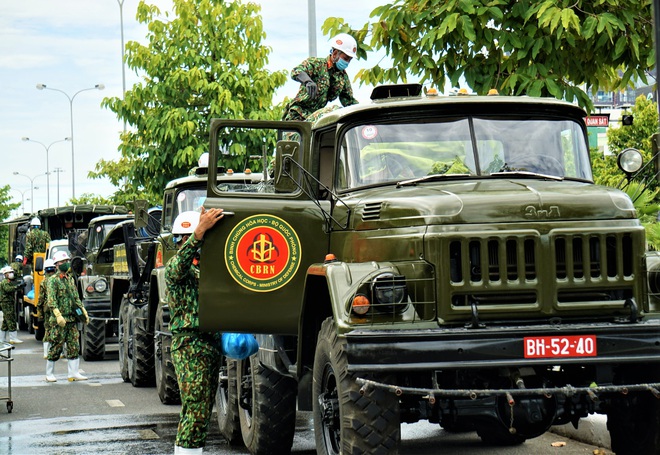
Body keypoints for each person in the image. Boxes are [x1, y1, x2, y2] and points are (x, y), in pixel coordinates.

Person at [166, 207, 225, 454]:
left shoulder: (202, 270)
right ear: (183, 240)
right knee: (195, 410)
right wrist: (198, 231)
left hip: (208, 344)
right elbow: (178, 266)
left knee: (202, 411)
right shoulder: (177, 268)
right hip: (190, 345)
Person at [283, 33, 359, 121]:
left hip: (316, 120)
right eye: (345, 58)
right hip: (298, 117)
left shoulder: (342, 77)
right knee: (334, 110)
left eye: (350, 60)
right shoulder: (317, 64)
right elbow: (296, 71)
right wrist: (308, 81)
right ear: (334, 54)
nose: (347, 63)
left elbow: (349, 102)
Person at [46, 250, 89, 382]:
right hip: (59, 320)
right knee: (56, 345)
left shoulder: (69, 279)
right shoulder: (52, 281)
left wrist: (83, 311)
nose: (66, 264)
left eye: (66, 261)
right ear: (57, 264)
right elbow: (51, 300)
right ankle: (49, 373)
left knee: (73, 345)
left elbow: (75, 298)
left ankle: (73, 373)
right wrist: (58, 315)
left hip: (71, 318)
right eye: (63, 262)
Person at [37, 259, 57, 361]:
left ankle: (46, 353)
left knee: (48, 330)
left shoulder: (44, 282)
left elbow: (41, 298)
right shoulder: (58, 279)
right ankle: (61, 352)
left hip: (47, 309)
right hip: (58, 309)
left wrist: (39, 310)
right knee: (60, 330)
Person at [0, 265, 25, 344]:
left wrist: (20, 286)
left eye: (12, 272)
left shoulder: (9, 282)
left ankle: (2, 339)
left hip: (9, 302)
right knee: (11, 320)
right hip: (6, 303)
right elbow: (8, 289)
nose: (12, 274)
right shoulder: (5, 282)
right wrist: (18, 286)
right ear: (6, 274)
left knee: (5, 322)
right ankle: (13, 338)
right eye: (10, 272)